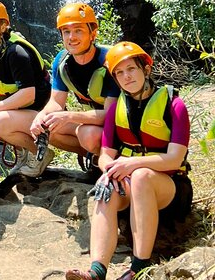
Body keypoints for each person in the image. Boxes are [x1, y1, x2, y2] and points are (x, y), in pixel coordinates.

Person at [66, 42, 192, 280]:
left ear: (145, 70)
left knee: (142, 176)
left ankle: (138, 268)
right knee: (107, 186)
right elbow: (105, 155)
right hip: (130, 184)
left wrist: (130, 165)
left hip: (170, 188)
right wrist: (109, 170)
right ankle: (96, 271)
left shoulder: (173, 104)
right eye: (120, 73)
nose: (127, 77)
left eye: (131, 69)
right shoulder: (116, 109)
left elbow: (175, 158)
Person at [30, 3, 120, 171]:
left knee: (89, 134)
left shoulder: (109, 61)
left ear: (93, 34)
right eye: (66, 32)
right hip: (93, 122)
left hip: (119, 126)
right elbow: (56, 102)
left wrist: (69, 116)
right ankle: (94, 159)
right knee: (48, 127)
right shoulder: (62, 61)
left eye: (78, 30)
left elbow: (110, 115)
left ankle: (111, 162)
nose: (71, 37)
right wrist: (42, 116)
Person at [0, 0, 52, 177]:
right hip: (21, 113)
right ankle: (23, 154)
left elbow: (28, 95)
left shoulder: (16, 52)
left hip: (41, 113)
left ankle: (39, 154)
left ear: (4, 26)